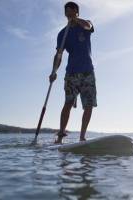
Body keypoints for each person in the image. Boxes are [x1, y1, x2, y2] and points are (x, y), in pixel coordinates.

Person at [49, 1, 97, 144]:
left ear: (76, 11)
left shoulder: (85, 24)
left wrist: (75, 19)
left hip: (88, 72)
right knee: (68, 103)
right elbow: (59, 54)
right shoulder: (63, 33)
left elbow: (88, 26)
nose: (68, 13)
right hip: (72, 73)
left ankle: (82, 137)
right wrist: (53, 71)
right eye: (66, 12)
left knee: (89, 104)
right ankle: (60, 137)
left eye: (70, 10)